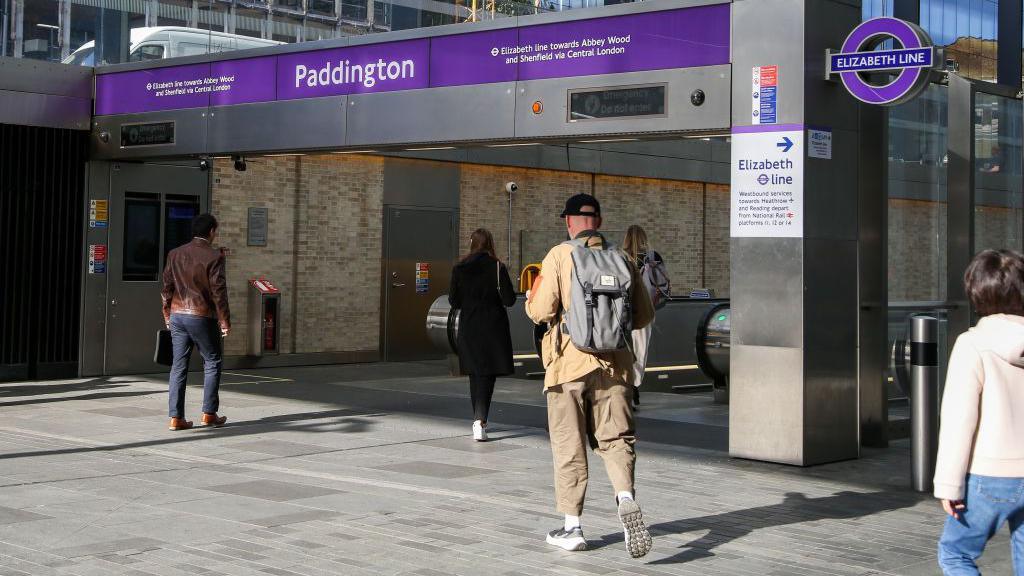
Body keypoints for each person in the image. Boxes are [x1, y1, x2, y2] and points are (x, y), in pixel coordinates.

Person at [526, 193, 655, 558]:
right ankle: (625, 497)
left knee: (569, 445)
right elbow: (643, 316)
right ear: (598, 221)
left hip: (569, 366)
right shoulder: (623, 258)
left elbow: (540, 309)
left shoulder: (560, 254)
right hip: (615, 367)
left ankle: (572, 527)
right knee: (616, 440)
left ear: (569, 222)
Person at [934, 248, 1024, 575]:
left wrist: (948, 485)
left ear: (977, 291)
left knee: (955, 553)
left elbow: (960, 422)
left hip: (990, 476)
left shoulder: (973, 343)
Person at [161, 213, 231, 431]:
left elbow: (166, 287)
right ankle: (209, 414)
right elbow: (218, 291)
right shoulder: (214, 256)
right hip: (201, 316)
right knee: (212, 361)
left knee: (178, 365)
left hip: (178, 315)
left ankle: (176, 418)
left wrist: (167, 315)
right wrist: (224, 320)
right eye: (215, 230)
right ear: (211, 231)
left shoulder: (174, 253)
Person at [448, 228, 516, 442]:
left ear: (471, 243)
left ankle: (478, 420)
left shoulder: (459, 268)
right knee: (487, 375)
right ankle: (480, 421)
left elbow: (453, 301)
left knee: (474, 373)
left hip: (469, 327)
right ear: (490, 244)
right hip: (492, 328)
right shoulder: (497, 267)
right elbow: (509, 299)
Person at [622, 225, 669, 407]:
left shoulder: (620, 257)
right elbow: (663, 283)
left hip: (623, 312)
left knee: (624, 351)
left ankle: (626, 388)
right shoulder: (653, 257)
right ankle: (634, 386)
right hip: (646, 311)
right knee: (640, 351)